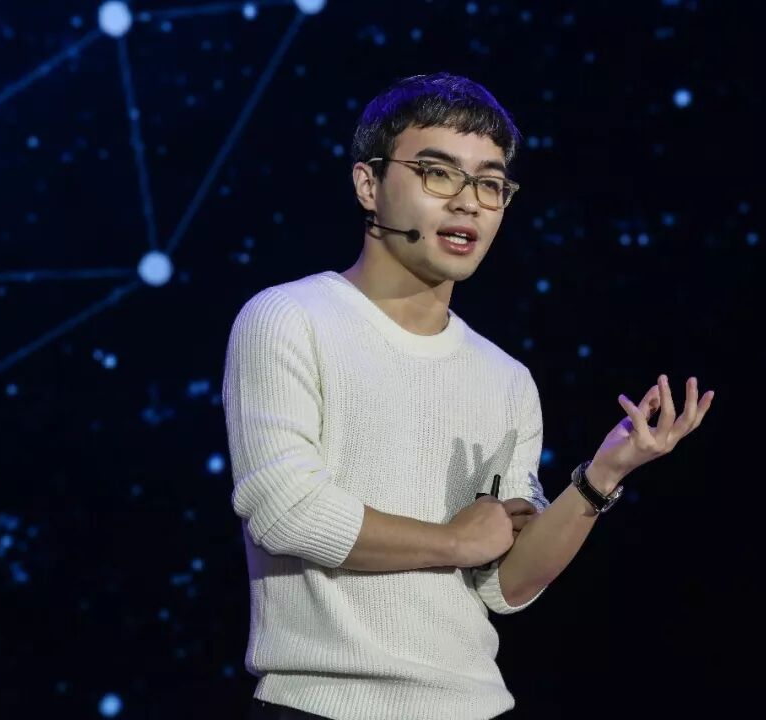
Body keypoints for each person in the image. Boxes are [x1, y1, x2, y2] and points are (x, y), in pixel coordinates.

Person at [222, 72, 715, 720]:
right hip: (323, 704)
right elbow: (285, 511)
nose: (468, 203)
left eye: (489, 184)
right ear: (368, 184)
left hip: (477, 706)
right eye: (438, 174)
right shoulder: (290, 318)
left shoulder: (506, 378)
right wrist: (454, 541)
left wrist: (602, 476)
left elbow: (504, 587)